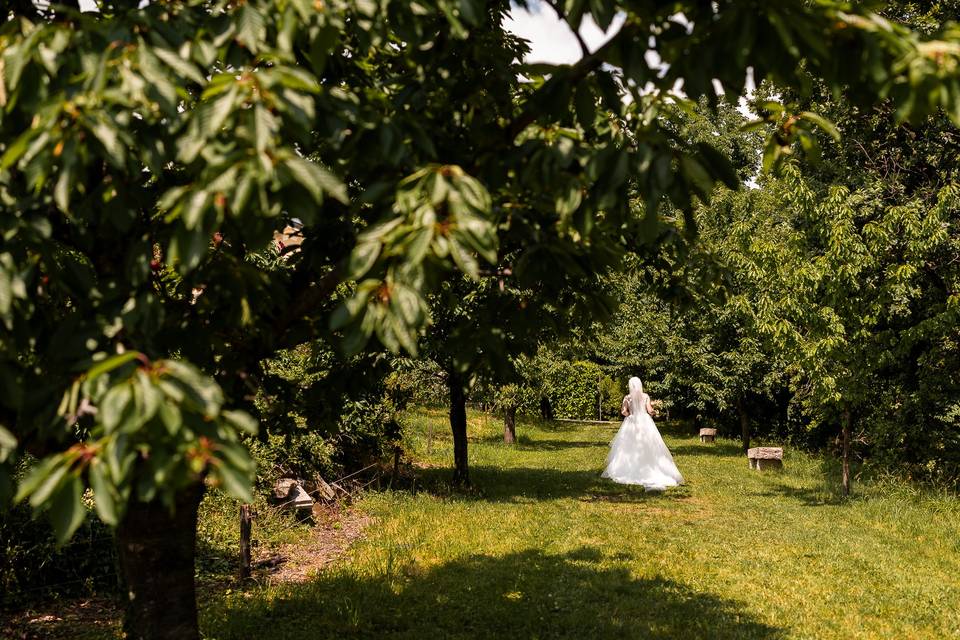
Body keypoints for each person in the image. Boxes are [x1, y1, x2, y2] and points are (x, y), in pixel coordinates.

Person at [601, 377, 683, 490]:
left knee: (628, 446)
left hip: (632, 421)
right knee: (650, 444)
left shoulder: (627, 397)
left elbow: (623, 412)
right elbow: (650, 410)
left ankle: (627, 467)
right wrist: (655, 411)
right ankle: (653, 466)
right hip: (645, 422)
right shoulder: (645, 396)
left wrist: (629, 414)